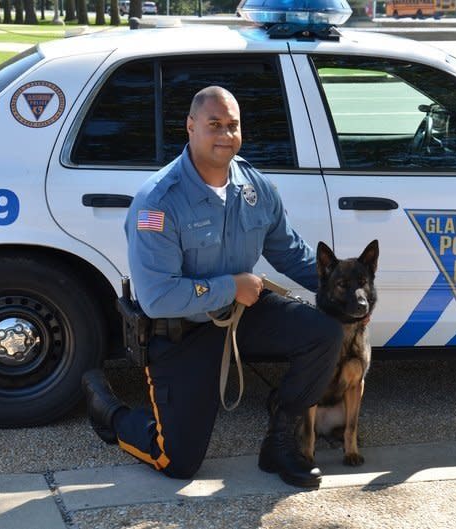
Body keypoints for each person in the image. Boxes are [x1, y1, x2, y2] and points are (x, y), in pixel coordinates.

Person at [81, 86, 343, 489]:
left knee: (323, 333)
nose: (226, 134)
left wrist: (342, 289)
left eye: (233, 125)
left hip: (240, 314)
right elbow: (157, 297)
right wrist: (230, 286)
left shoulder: (256, 189)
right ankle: (109, 411)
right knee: (178, 463)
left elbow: (290, 253)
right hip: (181, 331)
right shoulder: (158, 202)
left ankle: (280, 442)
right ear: (190, 126)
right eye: (214, 124)